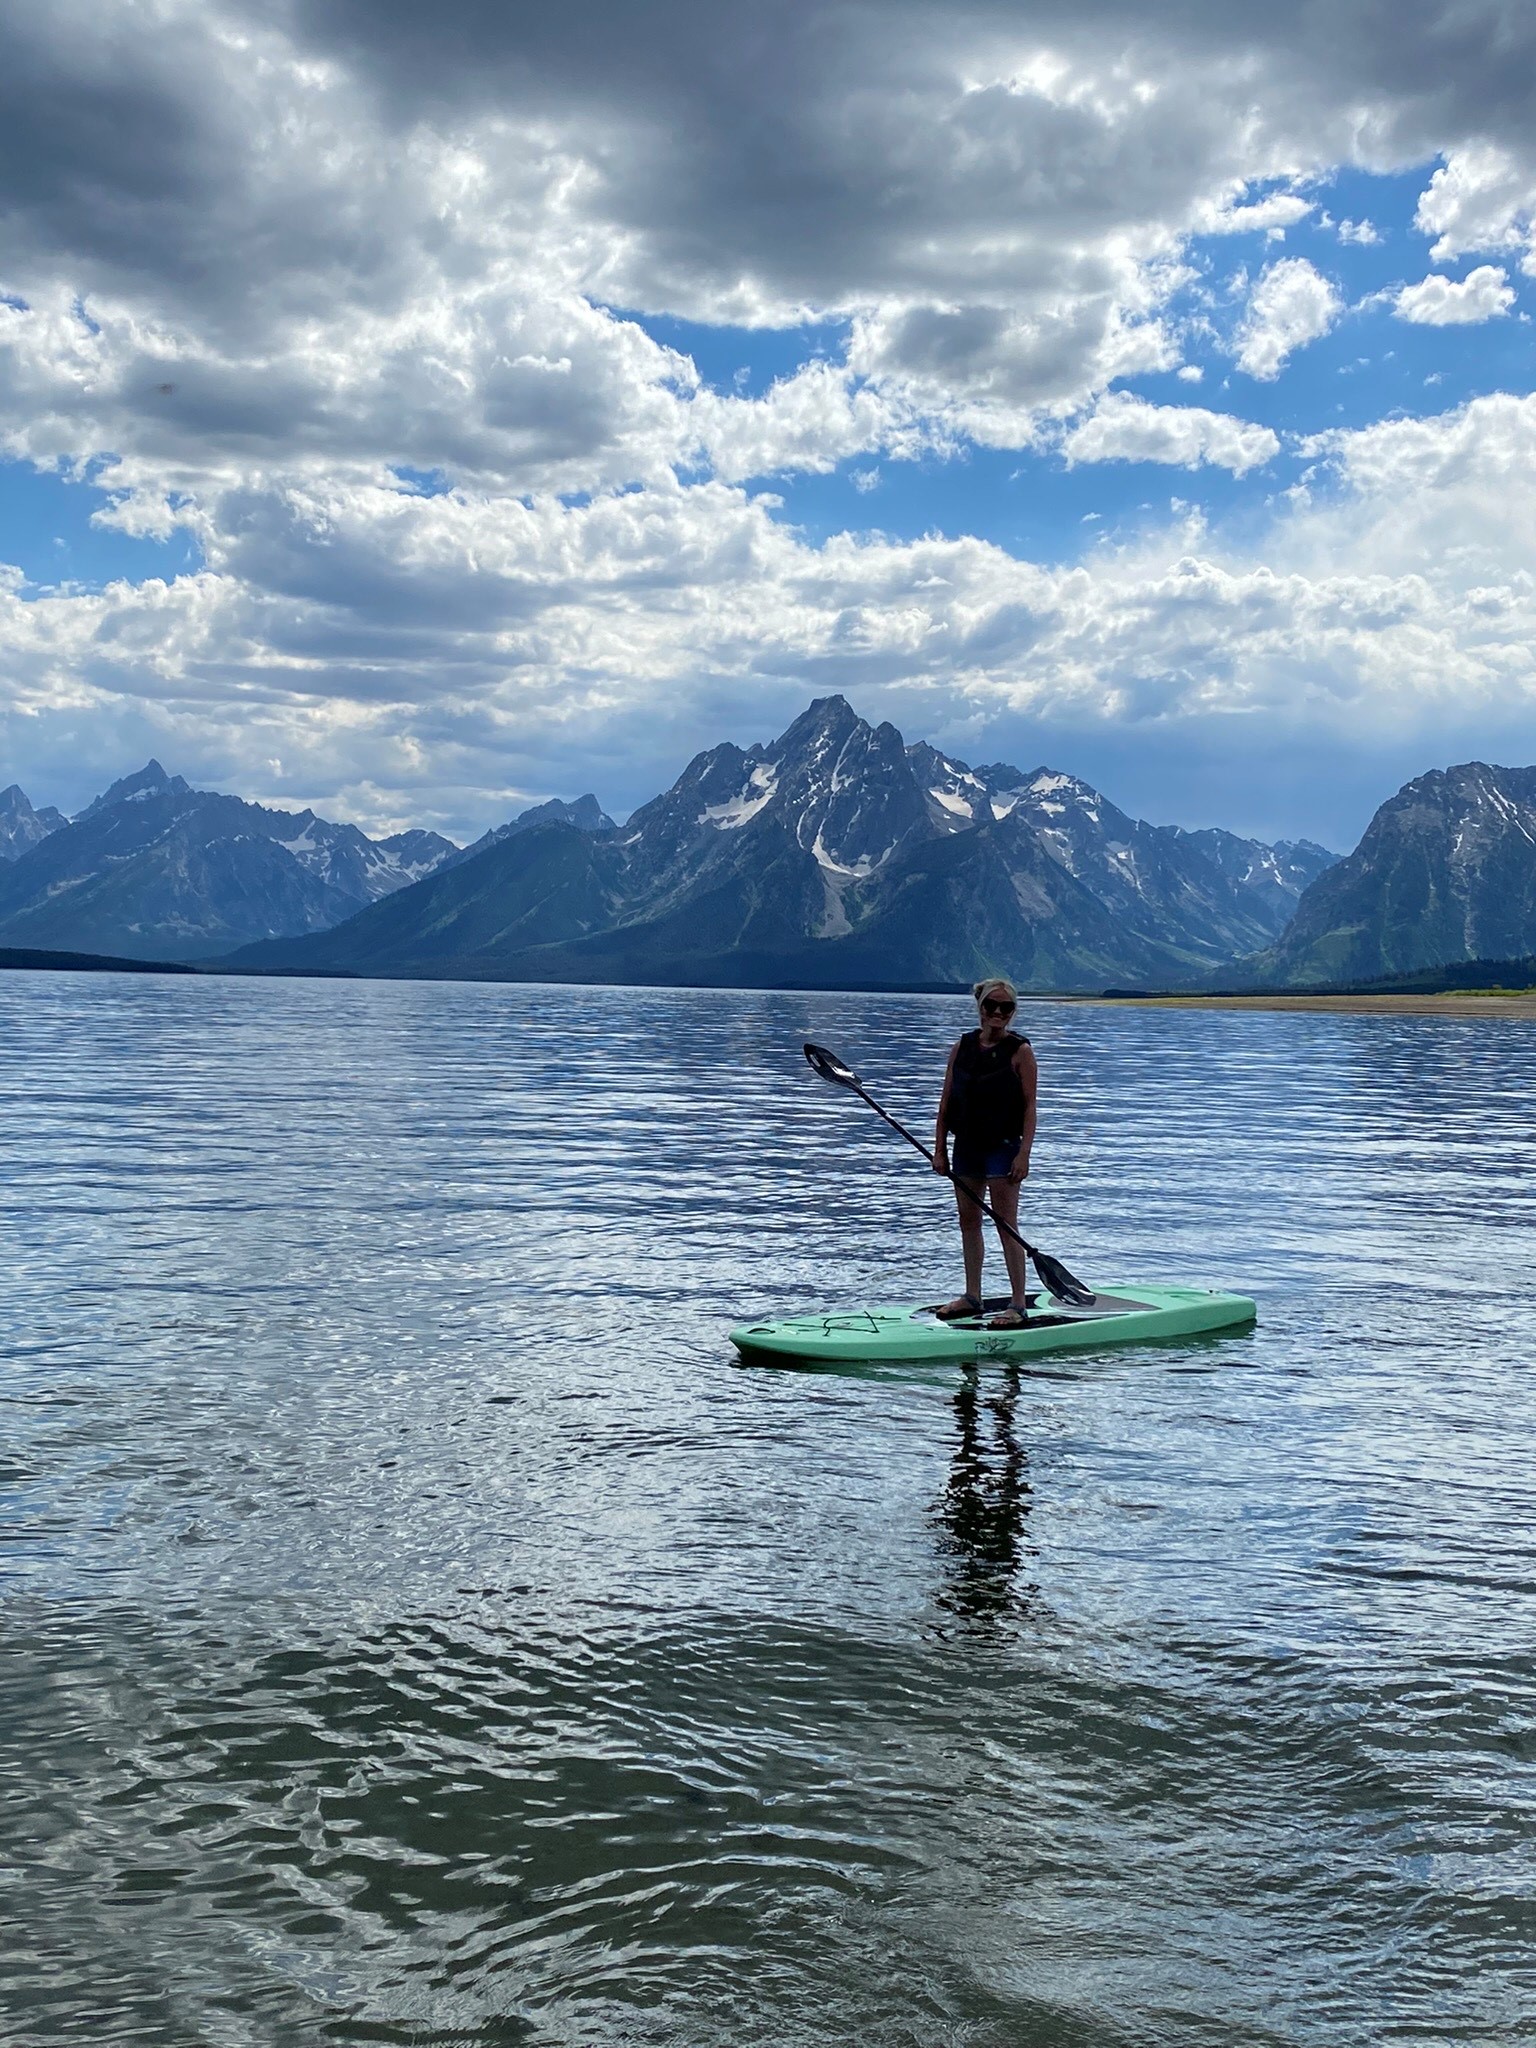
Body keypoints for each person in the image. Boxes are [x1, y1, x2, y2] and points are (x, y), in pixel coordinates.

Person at [932, 978, 1038, 1328]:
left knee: (1005, 1224)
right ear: (979, 1008)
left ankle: (1018, 1304)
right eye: (990, 1005)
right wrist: (939, 1149)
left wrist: (1024, 1154)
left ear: (1012, 1012)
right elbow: (946, 1102)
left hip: (1003, 1148)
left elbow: (1029, 1107)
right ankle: (972, 1296)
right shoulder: (961, 1047)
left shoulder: (1020, 1051)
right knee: (968, 1221)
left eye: (1005, 1007)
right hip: (966, 1147)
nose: (997, 1013)